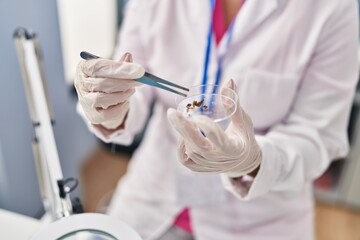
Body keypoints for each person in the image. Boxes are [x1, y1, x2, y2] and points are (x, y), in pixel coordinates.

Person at [74, 0, 359, 239]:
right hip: (152, 199)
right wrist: (110, 106)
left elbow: (318, 135)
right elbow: (132, 85)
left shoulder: (331, 8)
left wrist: (254, 160)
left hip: (260, 221)